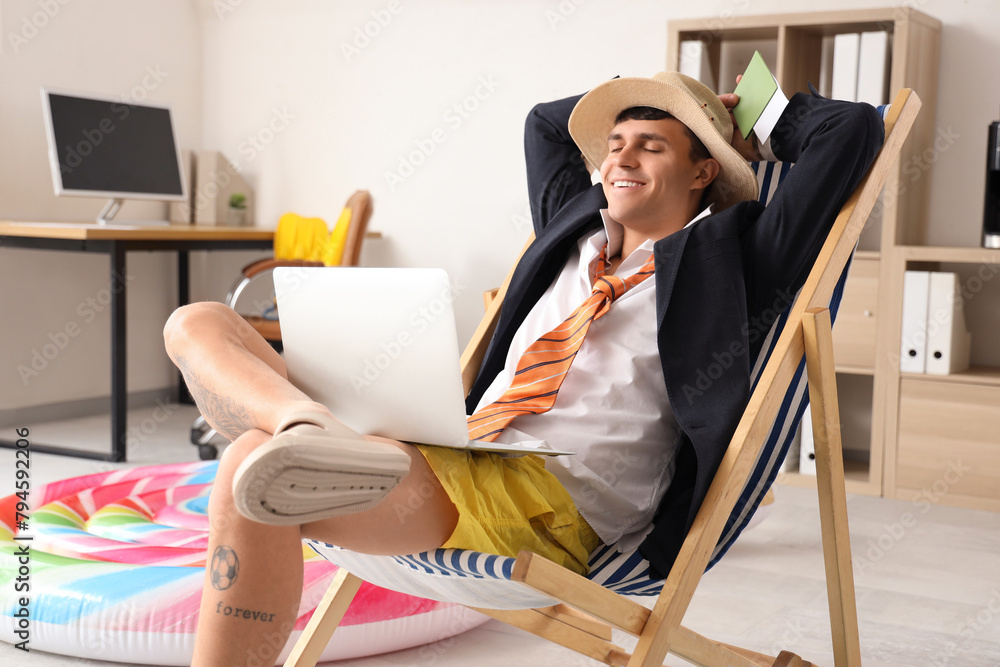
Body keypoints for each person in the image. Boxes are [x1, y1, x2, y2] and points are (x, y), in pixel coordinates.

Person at [164, 71, 883, 666]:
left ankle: (291, 434)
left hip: (551, 497)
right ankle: (304, 420)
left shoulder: (742, 258)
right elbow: (546, 123)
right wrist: (661, 94)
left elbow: (850, 132)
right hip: (455, 443)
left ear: (702, 170)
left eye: (653, 145)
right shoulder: (570, 223)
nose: (621, 160)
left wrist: (739, 113)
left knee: (251, 468)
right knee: (194, 322)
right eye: (615, 145)